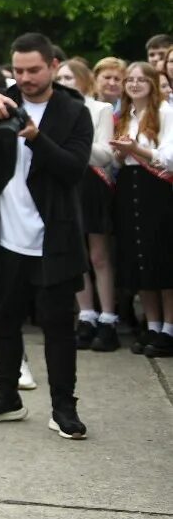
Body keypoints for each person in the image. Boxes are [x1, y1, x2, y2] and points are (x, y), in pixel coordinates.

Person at [0, 33, 93, 439]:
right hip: (3, 235)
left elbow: (72, 170)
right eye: (19, 70)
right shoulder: (2, 100)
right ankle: (6, 396)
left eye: (34, 70)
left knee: (58, 324)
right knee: (5, 318)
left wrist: (35, 137)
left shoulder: (73, 111)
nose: (26, 78)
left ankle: (64, 407)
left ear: (51, 66)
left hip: (53, 236)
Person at [111, 61, 173, 358]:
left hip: (157, 187)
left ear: (152, 83)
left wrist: (135, 148)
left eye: (141, 79)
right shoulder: (124, 116)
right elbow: (119, 160)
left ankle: (169, 329)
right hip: (129, 183)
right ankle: (153, 323)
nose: (134, 84)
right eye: (130, 80)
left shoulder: (164, 113)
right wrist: (122, 153)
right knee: (140, 258)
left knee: (161, 257)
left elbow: (167, 158)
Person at [61, 59, 122, 351]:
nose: (63, 82)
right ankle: (86, 315)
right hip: (65, 184)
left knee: (99, 255)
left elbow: (105, 155)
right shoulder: (52, 111)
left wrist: (72, 145)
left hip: (92, 184)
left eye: (69, 77)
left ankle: (108, 318)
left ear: (83, 80)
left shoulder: (101, 109)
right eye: (59, 77)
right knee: (76, 254)